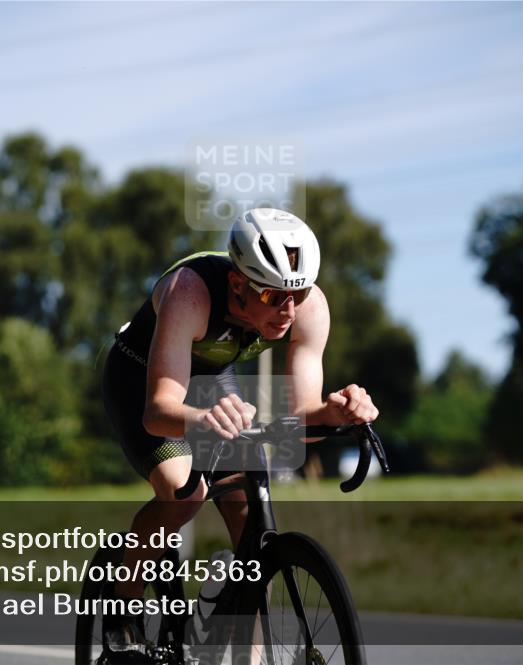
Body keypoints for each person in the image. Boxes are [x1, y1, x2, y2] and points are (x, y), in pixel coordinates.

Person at [100, 208, 380, 657]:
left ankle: (244, 653)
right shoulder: (190, 293)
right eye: (272, 297)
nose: (288, 311)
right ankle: (122, 612)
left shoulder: (308, 308)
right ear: (237, 285)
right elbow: (158, 412)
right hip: (143, 381)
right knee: (183, 492)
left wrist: (333, 412)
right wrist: (202, 421)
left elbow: (300, 419)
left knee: (251, 517)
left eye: (298, 292)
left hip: (213, 384)